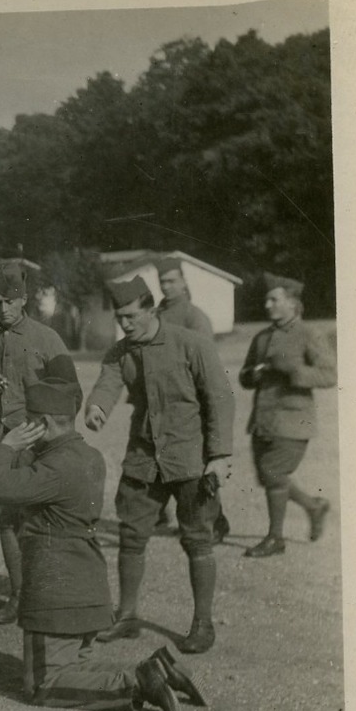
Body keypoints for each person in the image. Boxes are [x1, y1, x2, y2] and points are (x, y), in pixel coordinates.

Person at [0, 369, 205, 711]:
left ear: (45, 423)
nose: (22, 429)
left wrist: (6, 446)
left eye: (29, 423)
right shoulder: (89, 458)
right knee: (74, 666)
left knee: (43, 684)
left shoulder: (53, 469)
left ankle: (136, 682)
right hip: (88, 591)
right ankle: (158, 667)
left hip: (55, 595)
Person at [84, 275, 235, 654]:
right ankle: (128, 616)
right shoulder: (121, 352)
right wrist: (97, 407)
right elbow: (108, 382)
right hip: (143, 459)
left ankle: (202, 625)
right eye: (120, 318)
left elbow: (220, 399)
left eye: (132, 316)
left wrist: (218, 457)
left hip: (190, 459)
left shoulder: (191, 345)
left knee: (198, 539)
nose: (126, 324)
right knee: (131, 536)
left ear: (151, 310)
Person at [0, 263, 72, 624]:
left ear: (23, 301)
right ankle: (20, 596)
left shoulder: (47, 339)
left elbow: (70, 392)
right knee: (6, 519)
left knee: (36, 520)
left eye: (9, 301)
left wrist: (56, 438)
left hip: (33, 442)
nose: (2, 309)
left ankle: (47, 594)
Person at [239, 273, 337, 557]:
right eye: (266, 299)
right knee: (269, 477)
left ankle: (275, 538)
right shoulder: (262, 337)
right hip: (263, 419)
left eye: (274, 299)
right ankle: (314, 506)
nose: (268, 305)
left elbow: (329, 374)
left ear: (292, 303)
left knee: (274, 473)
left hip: (295, 418)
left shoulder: (309, 334)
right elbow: (246, 376)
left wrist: (293, 371)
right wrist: (252, 376)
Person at [152, 256, 228, 540]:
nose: (167, 287)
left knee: (197, 466)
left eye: (172, 281)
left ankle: (215, 521)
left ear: (184, 282)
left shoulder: (195, 318)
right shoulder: (156, 314)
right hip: (161, 401)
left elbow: (208, 369)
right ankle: (160, 514)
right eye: (163, 282)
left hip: (191, 403)